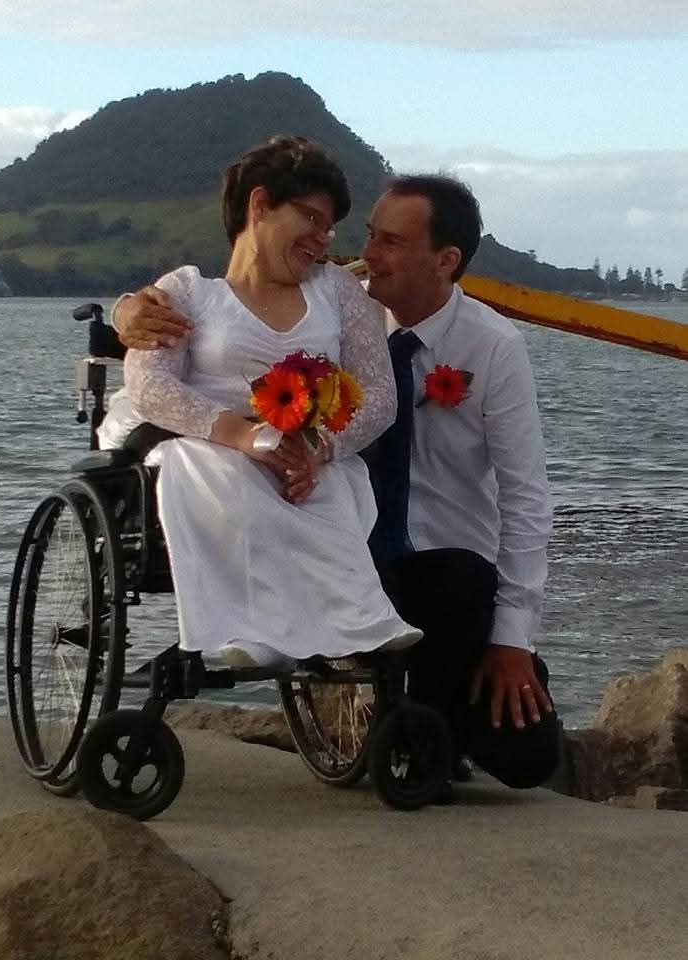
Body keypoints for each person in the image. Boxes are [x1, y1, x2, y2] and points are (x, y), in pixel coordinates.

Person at [113, 172, 560, 791]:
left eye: (391, 244)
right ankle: (411, 726)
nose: (365, 255)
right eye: (369, 236)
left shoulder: (493, 347)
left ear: (447, 260)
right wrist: (127, 309)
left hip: (436, 572)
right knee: (428, 765)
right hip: (335, 541)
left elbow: (527, 497)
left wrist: (511, 638)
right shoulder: (339, 305)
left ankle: (459, 692)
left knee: (527, 758)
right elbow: (224, 310)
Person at [97, 135, 421, 671]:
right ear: (260, 204)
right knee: (212, 467)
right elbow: (150, 385)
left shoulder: (336, 292)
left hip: (304, 449)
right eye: (312, 219)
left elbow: (381, 394)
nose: (323, 238)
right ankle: (242, 629)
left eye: (329, 227)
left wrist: (319, 449)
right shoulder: (189, 294)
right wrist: (245, 435)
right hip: (208, 440)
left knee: (335, 484)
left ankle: (362, 622)